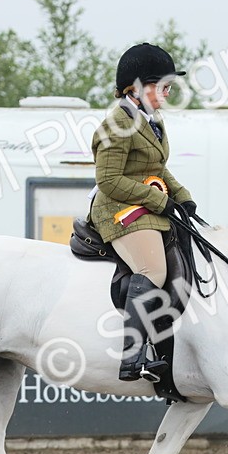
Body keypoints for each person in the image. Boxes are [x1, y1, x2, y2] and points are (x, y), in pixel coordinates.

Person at [91, 43, 197, 383]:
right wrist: (157, 200)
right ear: (136, 87)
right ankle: (132, 356)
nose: (167, 94)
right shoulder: (116, 124)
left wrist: (182, 197)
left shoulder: (152, 121)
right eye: (162, 87)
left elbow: (158, 169)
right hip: (117, 210)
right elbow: (108, 180)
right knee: (153, 268)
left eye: (169, 88)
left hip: (143, 207)